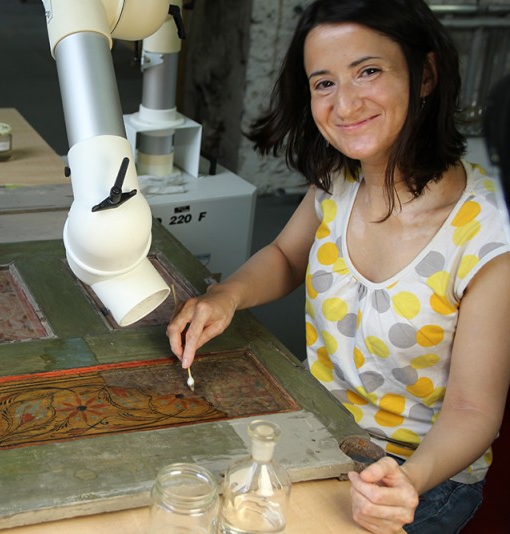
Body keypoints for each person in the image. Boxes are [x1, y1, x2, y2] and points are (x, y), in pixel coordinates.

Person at [166, 1, 510, 533]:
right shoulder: (338, 179)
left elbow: (473, 411)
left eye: (368, 71)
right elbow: (285, 257)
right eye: (323, 83)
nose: (344, 104)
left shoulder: (488, 236)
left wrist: (407, 483)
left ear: (425, 75)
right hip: (315, 433)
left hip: (419, 476)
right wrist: (225, 296)